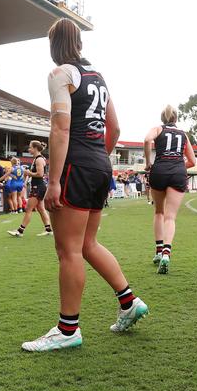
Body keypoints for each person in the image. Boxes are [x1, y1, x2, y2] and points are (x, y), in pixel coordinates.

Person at [21, 18, 148, 352]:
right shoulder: (99, 77)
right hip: (98, 163)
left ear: (54, 45)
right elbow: (115, 129)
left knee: (68, 250)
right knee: (88, 243)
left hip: (76, 164)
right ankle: (129, 301)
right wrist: (97, 157)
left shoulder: (59, 74)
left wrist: (54, 181)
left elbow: (60, 129)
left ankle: (68, 329)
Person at [144, 104, 196, 274]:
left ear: (163, 118)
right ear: (176, 118)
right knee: (170, 216)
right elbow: (193, 161)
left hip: (159, 170)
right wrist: (179, 166)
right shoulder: (183, 134)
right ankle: (166, 252)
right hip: (177, 172)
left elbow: (146, 140)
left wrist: (148, 163)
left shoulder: (157, 129)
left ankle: (158, 251)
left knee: (159, 212)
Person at [8, 142, 53, 237]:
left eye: (30, 148)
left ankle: (20, 231)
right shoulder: (38, 159)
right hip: (38, 186)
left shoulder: (39, 160)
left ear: (35, 148)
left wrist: (28, 173)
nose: (28, 149)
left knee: (28, 208)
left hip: (38, 187)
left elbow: (40, 174)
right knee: (41, 208)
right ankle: (48, 229)